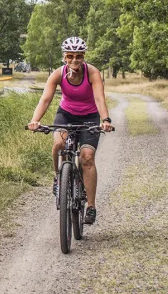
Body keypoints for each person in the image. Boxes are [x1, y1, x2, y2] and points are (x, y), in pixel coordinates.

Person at [27, 37, 114, 225]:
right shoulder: (57, 74)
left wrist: (105, 120)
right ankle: (58, 179)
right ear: (64, 57)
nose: (74, 60)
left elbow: (99, 99)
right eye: (70, 56)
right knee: (59, 143)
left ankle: (90, 206)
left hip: (89, 117)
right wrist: (35, 120)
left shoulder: (93, 73)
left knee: (87, 157)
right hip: (66, 114)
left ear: (83, 57)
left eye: (79, 56)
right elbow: (45, 100)